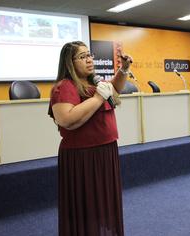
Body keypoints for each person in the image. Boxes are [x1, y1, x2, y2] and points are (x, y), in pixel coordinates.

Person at [48, 41, 132, 236]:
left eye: (89, 54)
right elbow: (66, 119)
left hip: (105, 152)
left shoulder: (93, 82)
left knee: (102, 204)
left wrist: (124, 68)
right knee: (86, 207)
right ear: (69, 62)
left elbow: (114, 90)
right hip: (83, 156)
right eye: (82, 56)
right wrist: (97, 99)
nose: (89, 59)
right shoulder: (64, 86)